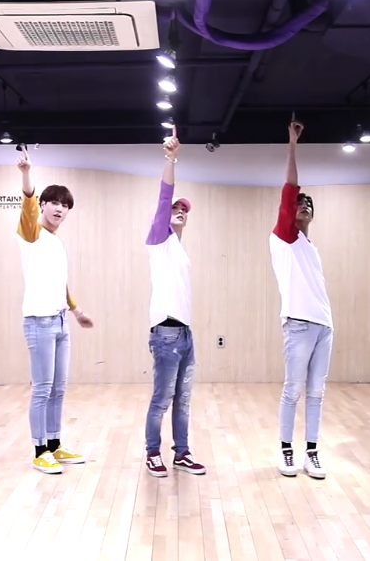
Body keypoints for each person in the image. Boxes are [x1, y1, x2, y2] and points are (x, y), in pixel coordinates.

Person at [16, 146, 94, 474]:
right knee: (42, 389)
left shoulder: (56, 242)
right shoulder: (31, 234)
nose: (59, 208)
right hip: (39, 323)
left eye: (65, 204)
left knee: (58, 388)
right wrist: (26, 174)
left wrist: (75, 311)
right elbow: (28, 202)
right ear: (43, 205)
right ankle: (39, 451)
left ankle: (54, 444)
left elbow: (61, 284)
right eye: (54, 202)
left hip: (61, 322)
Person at [269, 116, 333, 479]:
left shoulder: (311, 246)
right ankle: (286, 451)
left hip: (324, 325)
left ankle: (312, 452)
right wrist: (293, 144)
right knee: (293, 390)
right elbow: (290, 188)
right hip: (298, 324)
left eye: (309, 204)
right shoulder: (284, 237)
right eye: (299, 203)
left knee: (316, 393)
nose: (303, 205)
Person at [143, 128, 205, 478]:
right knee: (162, 399)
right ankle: (153, 452)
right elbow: (164, 195)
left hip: (185, 333)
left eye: (184, 209)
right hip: (165, 334)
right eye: (176, 208)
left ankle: (182, 452)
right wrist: (170, 159)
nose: (180, 210)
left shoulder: (180, 251)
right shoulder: (158, 240)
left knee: (183, 399)